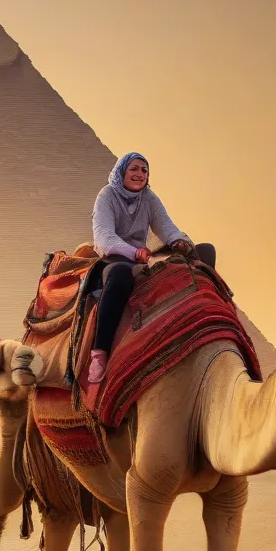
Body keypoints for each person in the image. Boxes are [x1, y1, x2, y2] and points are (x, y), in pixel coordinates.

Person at [89, 152, 211, 384]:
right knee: (121, 275)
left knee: (206, 252)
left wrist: (180, 242)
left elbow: (166, 226)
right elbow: (104, 237)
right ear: (122, 171)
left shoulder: (148, 197)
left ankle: (210, 312)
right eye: (134, 169)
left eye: (144, 170)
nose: (139, 174)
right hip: (115, 258)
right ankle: (100, 352)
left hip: (143, 258)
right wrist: (133, 252)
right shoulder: (107, 196)